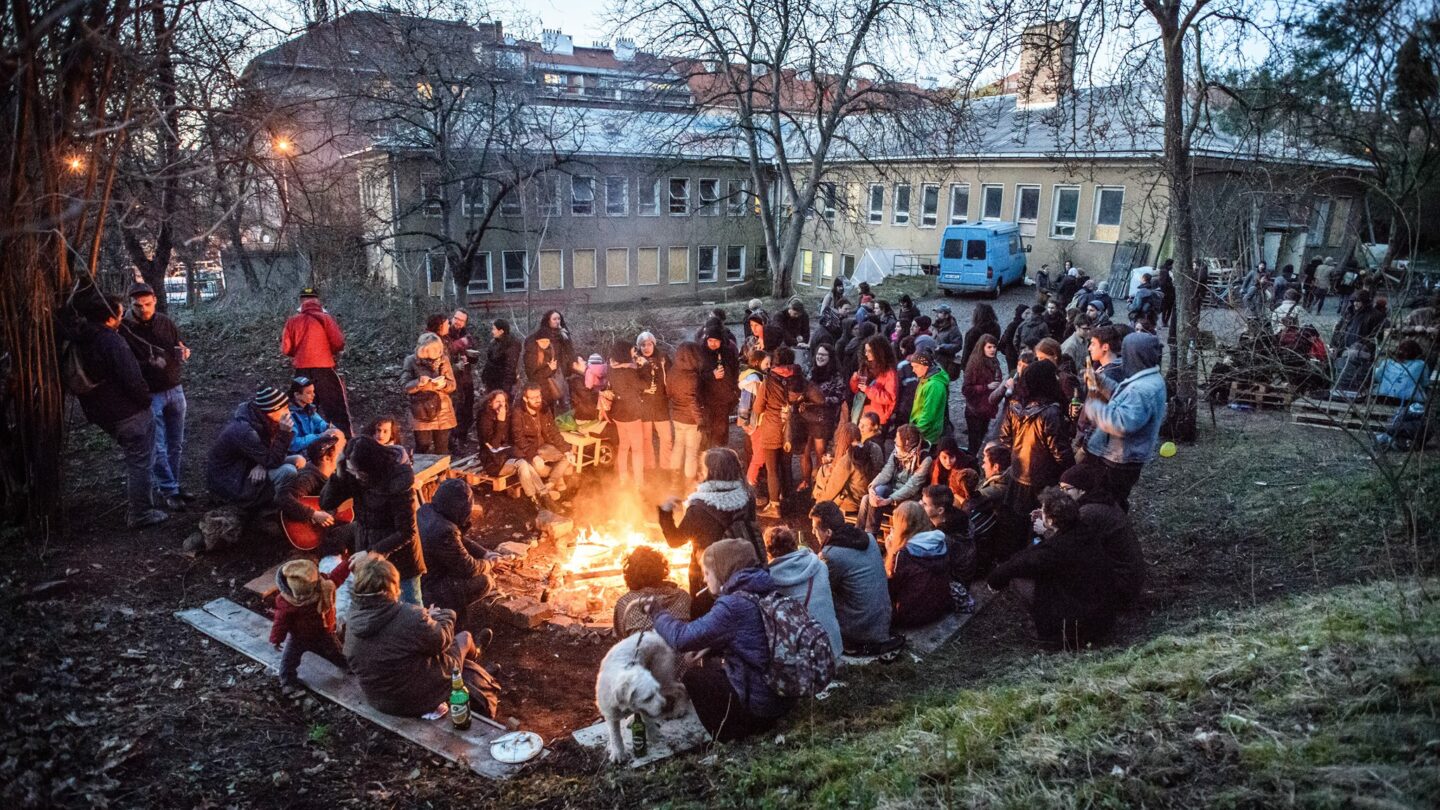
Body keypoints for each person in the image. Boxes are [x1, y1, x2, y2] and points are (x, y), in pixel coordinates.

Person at [645, 539, 793, 741]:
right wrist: (712, 645)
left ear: (723, 570)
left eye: (707, 573)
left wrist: (657, 613)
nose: (704, 580)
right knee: (715, 668)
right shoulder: (762, 587)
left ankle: (729, 735)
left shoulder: (732, 606)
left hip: (761, 708)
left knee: (694, 676)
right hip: (782, 696)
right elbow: (751, 637)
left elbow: (681, 639)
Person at [344, 555, 499, 718]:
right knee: (465, 638)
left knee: (417, 648)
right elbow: (442, 641)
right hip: (417, 701)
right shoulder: (409, 616)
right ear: (392, 588)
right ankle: (477, 664)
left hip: (380, 699)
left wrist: (424, 618)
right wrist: (443, 615)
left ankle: (473, 671)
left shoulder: (353, 617)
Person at [75, 294, 167, 528]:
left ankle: (142, 505)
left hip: (102, 411)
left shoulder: (82, 338)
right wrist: (145, 400)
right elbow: (131, 378)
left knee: (137, 459)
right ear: (109, 317)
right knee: (140, 461)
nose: (122, 316)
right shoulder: (111, 341)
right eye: (119, 312)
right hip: (127, 412)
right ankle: (141, 513)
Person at [986, 487, 1115, 650]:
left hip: (1081, 620)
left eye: (1043, 510)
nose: (1040, 512)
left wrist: (994, 580)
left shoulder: (1056, 550)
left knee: (1018, 579)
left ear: (1052, 520)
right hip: (1100, 609)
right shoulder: (1083, 531)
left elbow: (1022, 562)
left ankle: (1049, 632)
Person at [321, 436, 425, 606]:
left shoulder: (399, 481)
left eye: (358, 472)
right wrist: (339, 474)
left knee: (411, 607)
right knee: (375, 607)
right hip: (366, 549)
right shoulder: (354, 474)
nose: (354, 476)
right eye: (351, 471)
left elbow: (407, 531)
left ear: (371, 467)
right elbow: (326, 503)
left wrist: (373, 552)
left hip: (401, 559)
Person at [658, 448, 761, 608]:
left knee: (707, 618)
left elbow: (675, 541)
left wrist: (665, 513)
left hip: (707, 575)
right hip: (741, 567)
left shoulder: (698, 507)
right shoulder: (747, 497)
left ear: (710, 472)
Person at [120, 282, 192, 510]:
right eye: (137, 306)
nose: (143, 310)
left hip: (174, 387)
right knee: (158, 445)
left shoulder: (165, 322)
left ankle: (173, 485)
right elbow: (123, 365)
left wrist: (183, 352)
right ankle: (169, 489)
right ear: (129, 304)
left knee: (176, 443)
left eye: (148, 304)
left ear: (155, 301)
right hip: (150, 394)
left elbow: (176, 346)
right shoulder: (124, 328)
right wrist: (148, 365)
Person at [1083, 332, 1167, 511]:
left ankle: (1115, 533)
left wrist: (1093, 407)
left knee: (1111, 503)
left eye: (1125, 352)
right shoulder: (1148, 378)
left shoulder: (1142, 389)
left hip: (1120, 459)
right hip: (1123, 456)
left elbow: (1122, 423)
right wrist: (1101, 382)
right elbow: (1123, 399)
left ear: (1134, 354)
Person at [809, 502, 899, 656]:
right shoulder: (869, 538)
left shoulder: (831, 555)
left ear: (829, 532)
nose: (812, 532)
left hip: (859, 627)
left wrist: (812, 562)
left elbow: (822, 590)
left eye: (815, 529)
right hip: (882, 618)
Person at [747, 347, 823, 517]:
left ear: (776, 362)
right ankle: (788, 498)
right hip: (792, 428)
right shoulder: (800, 379)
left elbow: (758, 408)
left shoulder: (769, 380)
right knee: (787, 465)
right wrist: (802, 402)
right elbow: (820, 398)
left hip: (772, 428)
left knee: (772, 468)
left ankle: (774, 506)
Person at [1059, 464, 1145, 609]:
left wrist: (1048, 529)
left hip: (1121, 585)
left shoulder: (1089, 512)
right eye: (1060, 489)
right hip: (1128, 577)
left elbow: (1069, 545)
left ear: (1082, 490)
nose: (1062, 495)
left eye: (1067, 489)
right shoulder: (1102, 501)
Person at [207, 386, 301, 512]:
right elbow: (273, 461)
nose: (288, 412)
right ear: (271, 411)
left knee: (299, 460)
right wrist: (284, 434)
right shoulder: (245, 431)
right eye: (284, 408)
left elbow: (267, 452)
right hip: (233, 481)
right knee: (288, 471)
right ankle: (274, 508)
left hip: (249, 464)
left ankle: (279, 498)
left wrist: (260, 464)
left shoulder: (262, 420)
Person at [999, 360, 1074, 514]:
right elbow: (1060, 451)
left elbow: (1005, 438)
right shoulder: (1050, 412)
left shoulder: (1014, 404)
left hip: (1018, 474)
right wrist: (1070, 471)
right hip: (1043, 480)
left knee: (1018, 520)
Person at [418, 478, 495, 628]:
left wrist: (484, 553)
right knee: (484, 581)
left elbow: (458, 538)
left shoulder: (427, 510)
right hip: (429, 588)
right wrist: (490, 563)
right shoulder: (444, 531)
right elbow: (468, 568)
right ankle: (452, 618)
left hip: (423, 576)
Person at [270, 554, 353, 689]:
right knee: (289, 660)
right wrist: (277, 638)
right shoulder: (286, 602)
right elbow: (280, 622)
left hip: (323, 632)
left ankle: (348, 667)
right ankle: (287, 682)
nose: (306, 597)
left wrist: (349, 562)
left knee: (335, 652)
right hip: (299, 636)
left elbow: (338, 575)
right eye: (301, 595)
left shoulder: (324, 586)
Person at [280, 287, 351, 436]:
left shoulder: (292, 321)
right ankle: (345, 446)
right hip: (325, 370)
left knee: (302, 408)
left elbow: (286, 349)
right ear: (318, 300)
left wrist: (300, 352)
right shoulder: (326, 319)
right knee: (336, 410)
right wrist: (326, 351)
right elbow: (339, 342)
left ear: (301, 301)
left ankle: (304, 443)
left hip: (302, 371)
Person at [764, 526, 843, 658]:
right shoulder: (820, 565)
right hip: (833, 648)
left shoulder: (770, 578)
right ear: (794, 545)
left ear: (768, 551)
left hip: (807, 657)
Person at [276, 435, 352, 554]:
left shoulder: (333, 474)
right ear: (326, 458)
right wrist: (314, 514)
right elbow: (283, 497)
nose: (343, 456)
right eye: (339, 453)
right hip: (309, 530)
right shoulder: (308, 478)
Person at [885, 500, 953, 628]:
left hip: (911, 616)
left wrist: (891, 552)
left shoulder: (903, 554)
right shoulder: (940, 541)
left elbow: (891, 588)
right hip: (939, 607)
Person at [857, 424, 933, 533]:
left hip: (909, 497)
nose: (894, 440)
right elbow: (886, 472)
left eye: (897, 439)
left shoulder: (924, 459)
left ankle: (869, 534)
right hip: (892, 489)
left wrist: (890, 499)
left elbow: (911, 486)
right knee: (870, 496)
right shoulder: (898, 452)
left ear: (907, 443)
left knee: (872, 496)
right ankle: (859, 533)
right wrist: (872, 486)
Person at [511, 384, 577, 498]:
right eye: (533, 398)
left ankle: (550, 483)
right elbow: (519, 438)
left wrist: (566, 450)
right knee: (538, 468)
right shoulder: (518, 413)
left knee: (568, 456)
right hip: (528, 449)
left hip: (543, 446)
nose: (537, 400)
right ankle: (557, 479)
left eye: (539, 396)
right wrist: (533, 456)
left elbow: (553, 431)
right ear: (525, 399)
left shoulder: (544, 407)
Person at [612, 546, 691, 638]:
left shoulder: (625, 603)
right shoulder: (683, 596)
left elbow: (620, 637)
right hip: (678, 651)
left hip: (642, 651)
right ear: (661, 569)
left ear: (630, 573)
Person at [799, 342, 847, 490]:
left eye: (823, 355)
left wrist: (822, 401)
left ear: (830, 357)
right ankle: (806, 480)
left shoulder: (836, 376)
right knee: (804, 450)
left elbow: (839, 397)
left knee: (820, 451)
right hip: (806, 415)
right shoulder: (810, 371)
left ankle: (819, 483)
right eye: (818, 354)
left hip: (823, 417)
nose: (820, 357)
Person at [401, 332, 458, 456]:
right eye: (432, 349)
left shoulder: (443, 360)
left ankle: (442, 474)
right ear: (424, 349)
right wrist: (418, 383)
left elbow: (452, 385)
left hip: (443, 410)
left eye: (437, 349)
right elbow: (405, 386)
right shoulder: (411, 361)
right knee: (423, 445)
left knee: (442, 448)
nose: (436, 352)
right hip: (421, 410)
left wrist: (443, 385)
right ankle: (421, 473)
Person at [813, 420, 884, 514]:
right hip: (865, 496)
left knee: (823, 473)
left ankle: (816, 500)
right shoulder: (869, 449)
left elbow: (833, 487)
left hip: (852, 504)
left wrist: (817, 507)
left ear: (843, 439)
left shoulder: (848, 458)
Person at [606, 340, 648, 486]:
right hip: (631, 413)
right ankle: (639, 482)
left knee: (624, 445)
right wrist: (645, 366)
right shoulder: (629, 371)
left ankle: (623, 479)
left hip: (617, 412)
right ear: (625, 352)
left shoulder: (611, 367)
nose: (634, 352)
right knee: (637, 449)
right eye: (632, 350)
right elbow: (644, 385)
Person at [634, 332, 674, 472]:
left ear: (654, 344)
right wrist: (643, 390)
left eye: (649, 344)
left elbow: (671, 376)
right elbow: (631, 382)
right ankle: (649, 467)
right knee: (646, 439)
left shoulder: (662, 358)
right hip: (643, 405)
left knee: (666, 437)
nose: (646, 347)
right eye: (643, 345)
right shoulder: (635, 360)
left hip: (660, 404)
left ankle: (666, 467)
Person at [698, 321, 741, 449]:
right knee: (707, 429)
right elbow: (697, 377)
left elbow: (734, 372)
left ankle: (721, 455)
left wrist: (735, 391)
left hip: (723, 398)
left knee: (721, 430)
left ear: (721, 341)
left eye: (716, 341)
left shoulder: (727, 353)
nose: (713, 344)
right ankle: (706, 458)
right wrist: (712, 375)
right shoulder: (701, 354)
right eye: (710, 340)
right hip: (707, 399)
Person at [923, 484, 976, 584]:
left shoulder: (944, 538)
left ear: (940, 510)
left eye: (925, 504)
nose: (921, 505)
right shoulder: (959, 518)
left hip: (955, 582)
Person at [668, 341, 706, 481]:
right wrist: (700, 421)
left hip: (677, 417)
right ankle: (690, 483)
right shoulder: (692, 377)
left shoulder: (672, 371)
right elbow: (692, 402)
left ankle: (674, 480)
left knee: (678, 446)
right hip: (691, 420)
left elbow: (669, 393)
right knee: (691, 452)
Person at [961, 335, 1003, 453]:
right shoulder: (974, 364)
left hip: (988, 408)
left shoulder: (994, 362)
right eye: (989, 347)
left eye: (994, 347)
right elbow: (966, 389)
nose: (992, 350)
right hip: (975, 410)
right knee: (974, 442)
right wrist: (986, 387)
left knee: (982, 439)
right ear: (982, 348)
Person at [445, 309, 477, 452]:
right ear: (452, 317)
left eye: (462, 320)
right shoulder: (445, 332)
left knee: (467, 408)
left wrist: (470, 357)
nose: (458, 322)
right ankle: (452, 441)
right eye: (456, 318)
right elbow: (445, 351)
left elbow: (475, 358)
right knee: (454, 409)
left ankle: (462, 437)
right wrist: (460, 344)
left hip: (466, 377)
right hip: (452, 377)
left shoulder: (466, 335)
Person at [287, 375, 344, 454]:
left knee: (338, 434)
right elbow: (294, 444)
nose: (313, 395)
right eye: (309, 393)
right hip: (299, 454)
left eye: (313, 391)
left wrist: (329, 428)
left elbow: (319, 422)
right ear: (297, 395)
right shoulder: (289, 414)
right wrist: (320, 436)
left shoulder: (308, 408)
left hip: (312, 447)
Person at [850, 335, 898, 426]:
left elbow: (889, 398)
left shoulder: (889, 373)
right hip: (861, 411)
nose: (866, 354)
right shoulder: (866, 366)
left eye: (869, 351)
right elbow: (856, 390)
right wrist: (854, 380)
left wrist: (868, 390)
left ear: (879, 352)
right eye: (865, 351)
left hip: (876, 418)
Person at [908, 351, 951, 445]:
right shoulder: (925, 378)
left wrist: (916, 432)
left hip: (928, 434)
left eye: (916, 366)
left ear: (926, 366)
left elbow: (928, 414)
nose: (913, 370)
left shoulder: (934, 385)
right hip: (921, 429)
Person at [1371, 339, 1430, 405]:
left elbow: (1377, 377)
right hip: (1408, 400)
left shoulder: (1387, 362)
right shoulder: (1421, 364)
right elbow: (1425, 383)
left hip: (1383, 396)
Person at [481, 318, 521, 394]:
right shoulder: (495, 342)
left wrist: (506, 388)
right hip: (492, 381)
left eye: (494, 329)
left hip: (502, 383)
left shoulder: (511, 345)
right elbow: (490, 361)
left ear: (501, 331)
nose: (492, 331)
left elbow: (510, 368)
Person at [961, 303, 1002, 370]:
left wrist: (964, 366)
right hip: (991, 362)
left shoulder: (973, 332)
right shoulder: (996, 328)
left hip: (975, 365)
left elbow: (967, 351)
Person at [999, 304, 1029, 371]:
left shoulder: (1028, 324)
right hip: (1012, 354)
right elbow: (1006, 338)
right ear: (1020, 313)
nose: (1028, 315)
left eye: (1029, 313)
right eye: (1026, 313)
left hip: (1021, 353)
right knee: (1013, 372)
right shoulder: (1013, 325)